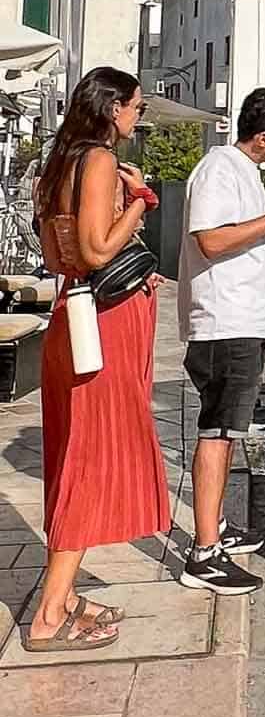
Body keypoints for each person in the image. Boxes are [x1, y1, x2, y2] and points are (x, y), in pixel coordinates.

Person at [27, 67, 170, 652]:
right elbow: (96, 247)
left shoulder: (57, 163)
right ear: (114, 109)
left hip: (72, 316)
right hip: (105, 327)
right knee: (92, 460)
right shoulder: (101, 162)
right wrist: (140, 201)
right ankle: (48, 616)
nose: (139, 118)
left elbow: (61, 252)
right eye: (136, 107)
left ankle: (62, 600)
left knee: (74, 456)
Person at [178, 87, 265, 594]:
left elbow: (243, 237)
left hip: (242, 321)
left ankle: (214, 527)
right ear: (262, 138)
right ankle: (203, 552)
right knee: (218, 429)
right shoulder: (219, 170)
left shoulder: (245, 174)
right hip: (225, 323)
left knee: (229, 428)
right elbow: (211, 240)